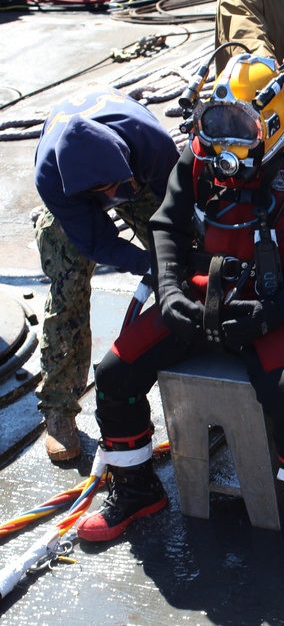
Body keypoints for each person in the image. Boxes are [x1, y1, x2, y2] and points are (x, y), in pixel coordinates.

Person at [76, 54, 284, 577]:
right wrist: (170, 289)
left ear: (272, 123)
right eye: (218, 123)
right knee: (115, 374)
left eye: (241, 126)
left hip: (275, 300)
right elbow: (167, 226)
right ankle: (137, 489)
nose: (226, 139)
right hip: (201, 293)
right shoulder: (199, 158)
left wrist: (275, 311)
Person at [33, 87, 179, 463]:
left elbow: (180, 215)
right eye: (103, 192)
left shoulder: (153, 144)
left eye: (113, 188)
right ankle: (58, 407)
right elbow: (98, 243)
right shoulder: (52, 176)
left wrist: (169, 260)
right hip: (76, 194)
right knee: (67, 287)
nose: (112, 196)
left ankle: (195, 367)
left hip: (137, 172)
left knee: (184, 260)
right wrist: (148, 264)